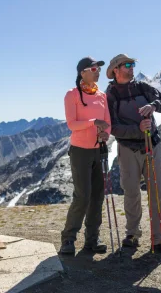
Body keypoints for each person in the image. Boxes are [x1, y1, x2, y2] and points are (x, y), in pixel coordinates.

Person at [105, 53, 161, 255]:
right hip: (128, 149)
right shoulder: (110, 95)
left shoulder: (143, 88)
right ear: (116, 70)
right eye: (126, 65)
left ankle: (160, 239)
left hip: (151, 145)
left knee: (157, 193)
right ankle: (132, 234)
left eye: (132, 64)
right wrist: (138, 129)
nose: (131, 67)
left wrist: (154, 106)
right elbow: (113, 127)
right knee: (131, 193)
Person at [59, 57, 111, 255]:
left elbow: (107, 121)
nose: (97, 72)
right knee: (82, 196)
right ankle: (68, 240)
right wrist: (93, 122)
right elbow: (72, 124)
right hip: (80, 151)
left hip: (98, 149)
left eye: (98, 69)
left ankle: (92, 239)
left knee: (97, 196)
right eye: (94, 68)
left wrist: (106, 132)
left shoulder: (102, 96)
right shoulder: (71, 95)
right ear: (83, 72)